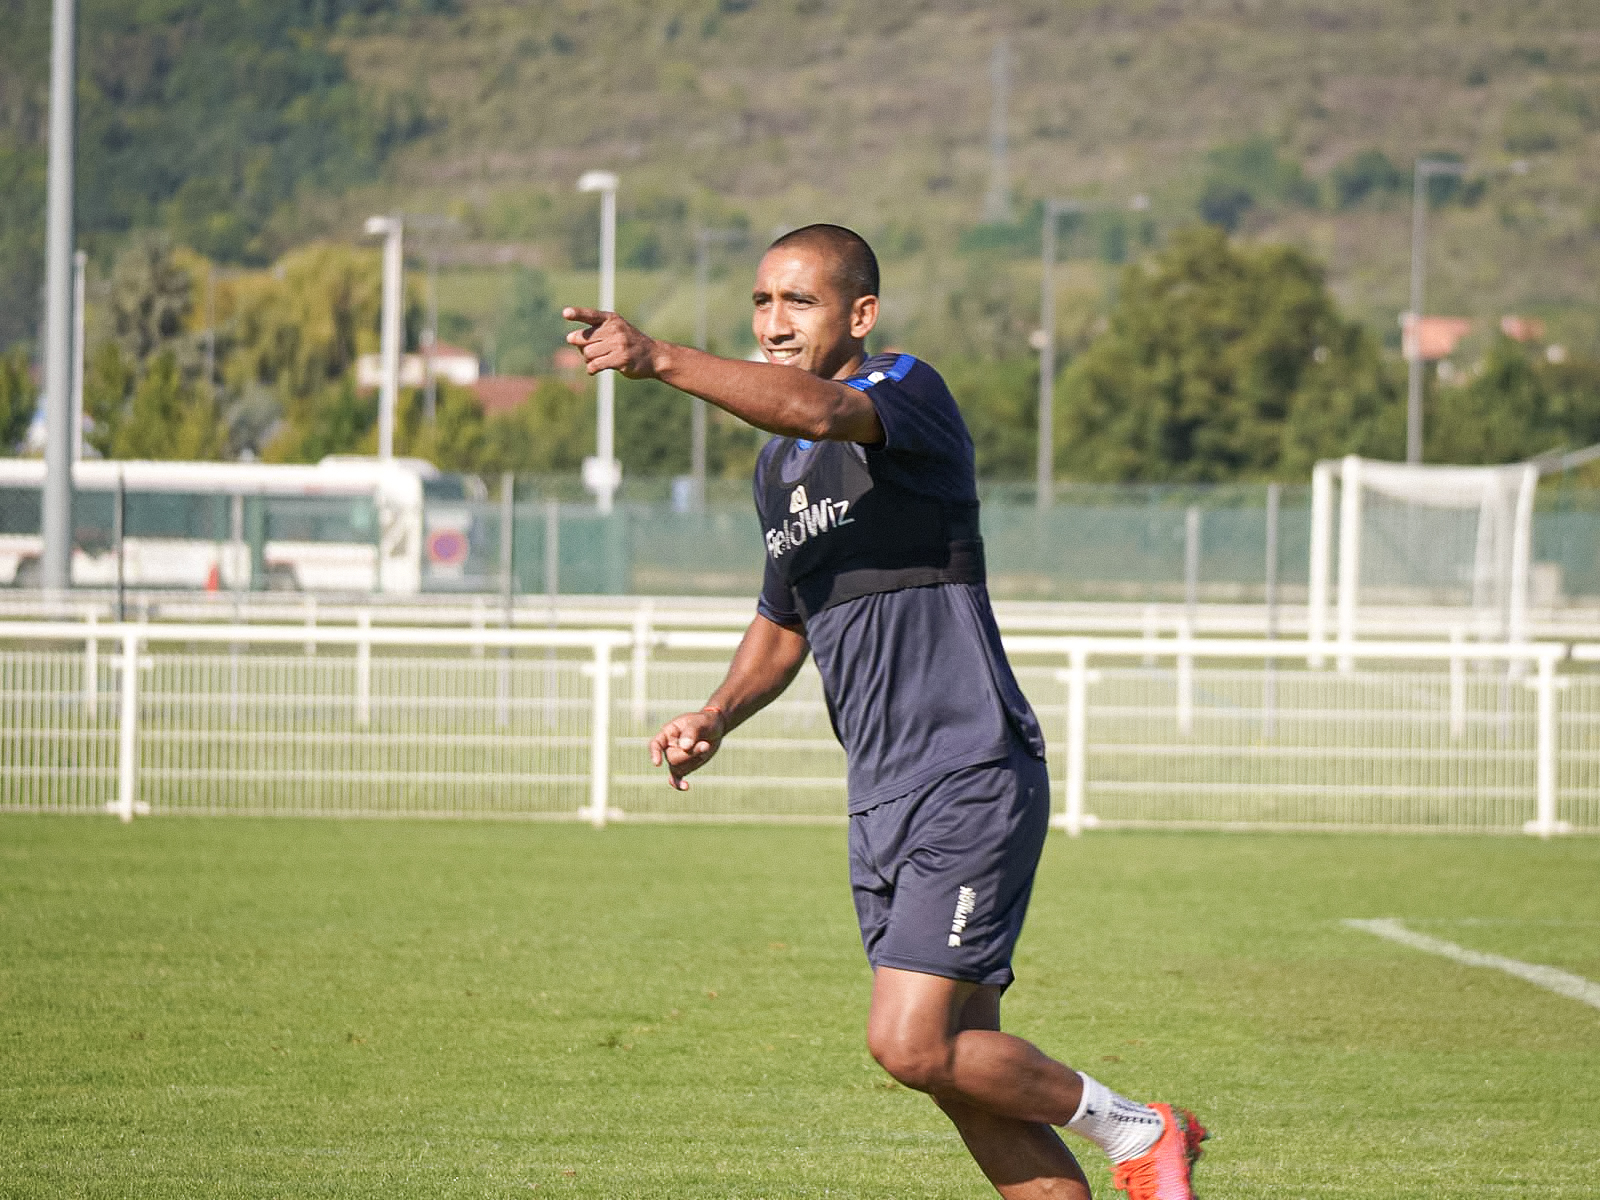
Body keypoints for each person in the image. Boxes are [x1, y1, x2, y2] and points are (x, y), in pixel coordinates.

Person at [564, 224, 1206, 1200]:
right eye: (760, 302)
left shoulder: (906, 393)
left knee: (906, 1044)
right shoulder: (772, 469)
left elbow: (823, 412)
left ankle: (1139, 1129)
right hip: (880, 795)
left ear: (858, 315)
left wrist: (657, 357)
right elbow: (784, 622)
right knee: (963, 1076)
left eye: (798, 302)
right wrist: (715, 716)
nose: (773, 323)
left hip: (968, 767)